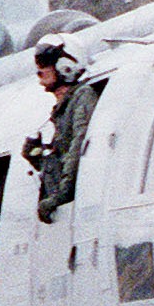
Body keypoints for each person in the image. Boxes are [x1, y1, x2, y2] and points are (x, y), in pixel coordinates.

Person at [22, 33, 99, 223]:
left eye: (44, 64)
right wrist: (36, 158)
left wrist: (59, 197)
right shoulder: (63, 109)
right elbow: (62, 160)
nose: (39, 72)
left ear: (65, 66)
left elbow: (77, 151)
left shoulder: (82, 99)